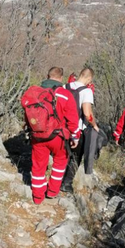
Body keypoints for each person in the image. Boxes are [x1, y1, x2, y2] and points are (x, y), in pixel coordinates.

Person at [29, 67, 80, 204]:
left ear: (47, 76)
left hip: (38, 135)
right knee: (60, 163)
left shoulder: (36, 92)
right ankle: (52, 192)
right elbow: (73, 119)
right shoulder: (65, 94)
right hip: (58, 136)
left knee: (38, 166)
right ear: (61, 78)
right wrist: (75, 136)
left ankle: (38, 197)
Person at [60, 67, 102, 192]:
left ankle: (56, 181)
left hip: (62, 128)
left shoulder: (64, 87)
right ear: (89, 78)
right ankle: (66, 183)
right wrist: (94, 125)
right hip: (77, 129)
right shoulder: (87, 91)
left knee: (62, 156)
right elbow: (87, 113)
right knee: (75, 157)